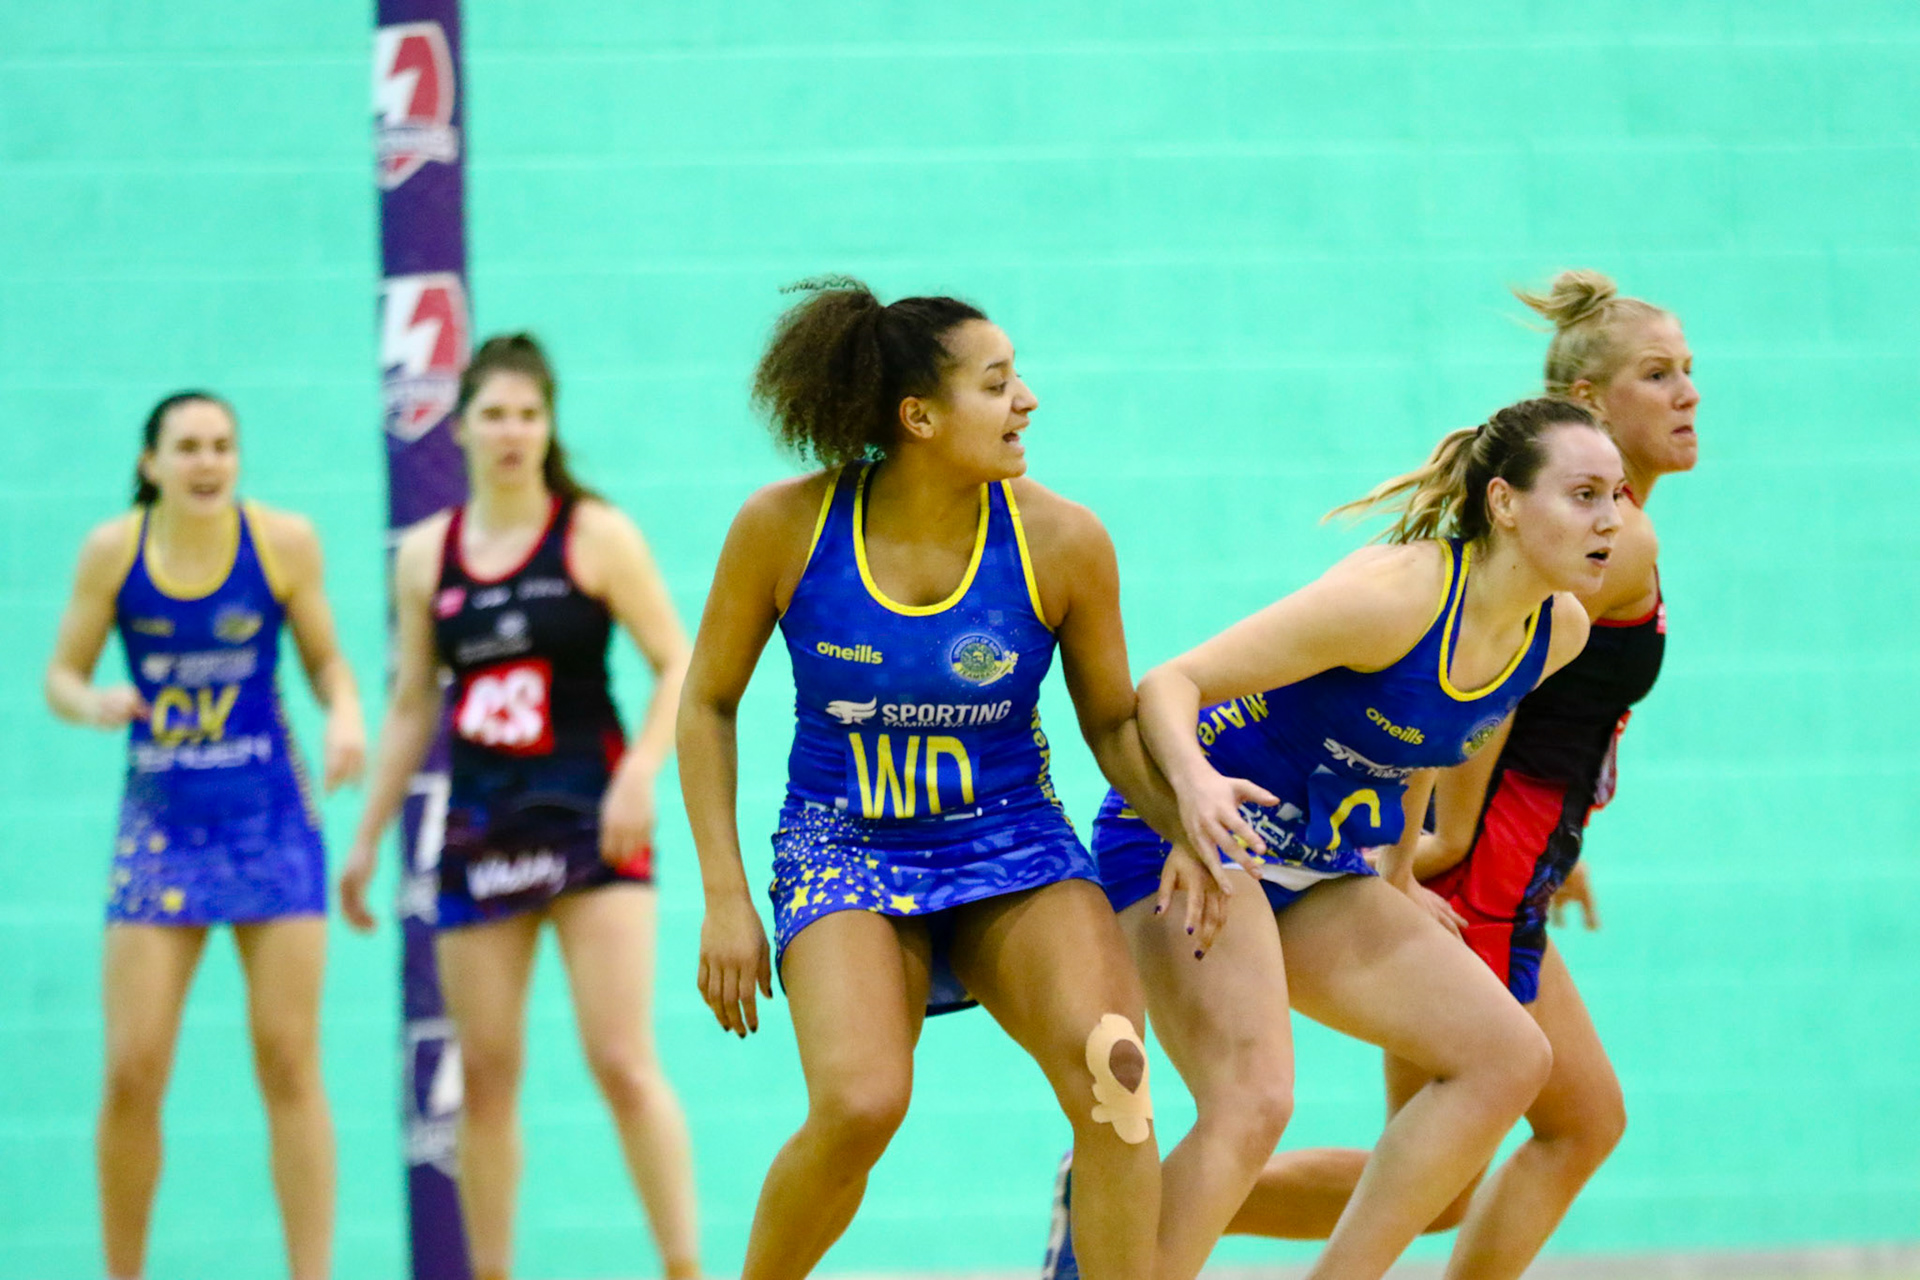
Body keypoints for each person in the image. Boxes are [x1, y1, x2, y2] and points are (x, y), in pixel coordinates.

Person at [681, 279, 1192, 1280]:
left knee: (1118, 1075)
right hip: (844, 844)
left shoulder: (1063, 540)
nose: (1027, 401)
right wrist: (725, 895)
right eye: (999, 384)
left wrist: (1189, 824)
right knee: (862, 1102)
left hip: (1012, 837)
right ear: (918, 415)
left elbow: (1112, 724)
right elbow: (705, 702)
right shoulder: (785, 528)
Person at [1055, 397, 1630, 1280]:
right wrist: (1193, 797)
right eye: (1585, 493)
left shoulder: (1557, 630)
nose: (1612, 520)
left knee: (1507, 1058)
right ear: (1506, 504)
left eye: (1618, 497)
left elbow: (1440, 734)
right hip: (1202, 838)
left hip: (1319, 863)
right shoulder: (1394, 596)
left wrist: (1400, 877)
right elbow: (1173, 682)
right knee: (1253, 1102)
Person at [1234, 271, 1697, 1280]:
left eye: (1689, 372)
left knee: (1571, 1122)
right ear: (1587, 406)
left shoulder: (1605, 535)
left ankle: (1145, 1195)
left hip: (1520, 853)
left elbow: (1553, 708)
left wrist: (1561, 847)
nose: (1687, 394)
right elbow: (1491, 680)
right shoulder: (1615, 541)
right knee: (1477, 1157)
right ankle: (1138, 1196)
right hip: (1482, 858)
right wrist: (1444, 832)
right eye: (1657, 374)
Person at [339, 334, 701, 1280]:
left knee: (622, 1060)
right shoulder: (426, 556)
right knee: (487, 1078)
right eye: (493, 415)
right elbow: (414, 702)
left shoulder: (594, 533)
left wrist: (642, 775)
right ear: (460, 429)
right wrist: (368, 837)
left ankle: (686, 1265)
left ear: (548, 427)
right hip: (481, 831)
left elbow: (678, 661)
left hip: (595, 821)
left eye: (528, 415)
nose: (511, 432)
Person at [45, 391, 365, 1280]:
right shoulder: (114, 552)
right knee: (133, 1068)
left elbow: (328, 661)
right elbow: (60, 675)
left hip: (271, 822)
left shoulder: (283, 542)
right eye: (186, 447)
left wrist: (344, 714)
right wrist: (92, 702)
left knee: (288, 1058)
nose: (207, 461)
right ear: (151, 463)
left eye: (222, 445)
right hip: (161, 829)